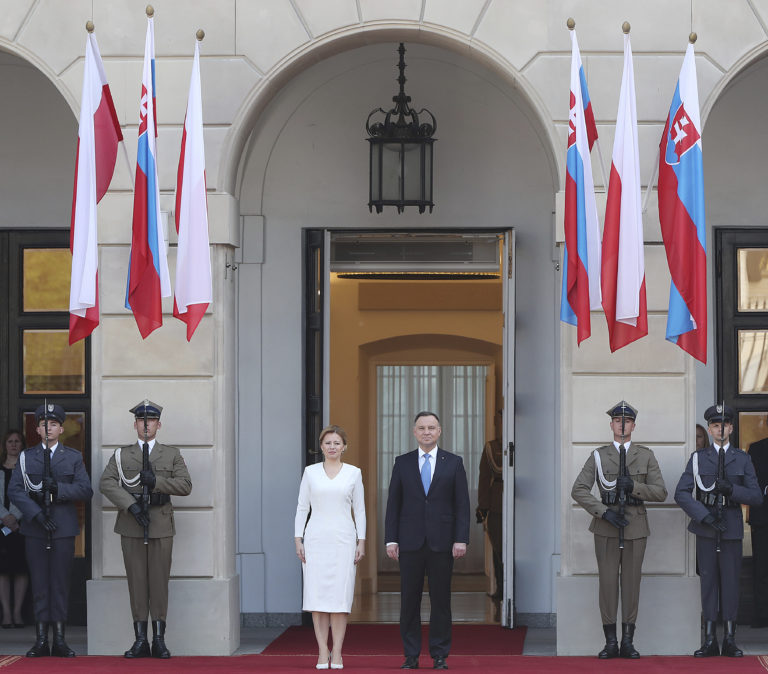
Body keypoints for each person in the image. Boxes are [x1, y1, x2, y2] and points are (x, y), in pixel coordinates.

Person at [571, 401, 667, 660]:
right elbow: (578, 489)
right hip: (606, 525)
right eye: (617, 420)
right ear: (611, 424)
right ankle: (610, 642)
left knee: (631, 584)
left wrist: (634, 486)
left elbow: (660, 492)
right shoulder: (599, 456)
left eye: (626, 421)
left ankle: (628, 641)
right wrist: (604, 512)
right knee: (608, 583)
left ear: (633, 425)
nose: (621, 425)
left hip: (635, 524)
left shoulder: (645, 455)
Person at [99, 400, 192, 659]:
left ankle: (159, 640)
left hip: (161, 523)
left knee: (159, 583)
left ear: (158, 425)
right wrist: (131, 505)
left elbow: (185, 485)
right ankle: (140, 639)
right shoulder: (122, 454)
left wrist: (158, 481)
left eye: (151, 421)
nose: (146, 425)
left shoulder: (171, 454)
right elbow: (106, 483)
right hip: (132, 524)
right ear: (135, 424)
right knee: (137, 582)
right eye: (142, 420)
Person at [385, 411, 470, 670]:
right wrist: (391, 540)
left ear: (440, 431)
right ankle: (410, 655)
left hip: (442, 543)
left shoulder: (453, 462)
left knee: (441, 601)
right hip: (409, 542)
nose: (427, 432)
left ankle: (440, 654)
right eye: (422, 428)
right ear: (414, 432)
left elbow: (462, 505)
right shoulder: (402, 462)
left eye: (431, 427)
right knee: (409, 601)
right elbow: (393, 505)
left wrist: (461, 539)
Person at [675, 404, 762, 657]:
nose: (720, 429)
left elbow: (756, 496)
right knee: (709, 583)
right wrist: (704, 516)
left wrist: (732, 490)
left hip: (732, 527)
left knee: (731, 583)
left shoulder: (743, 458)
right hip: (707, 528)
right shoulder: (699, 458)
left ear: (731, 428)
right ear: (711, 429)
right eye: (715, 425)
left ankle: (730, 640)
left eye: (724, 425)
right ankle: (710, 639)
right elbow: (681, 493)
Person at [8, 403, 92, 657]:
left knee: (59, 583)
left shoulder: (73, 457)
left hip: (63, 528)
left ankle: (60, 640)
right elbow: (15, 490)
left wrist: (59, 489)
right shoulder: (26, 457)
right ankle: (41, 639)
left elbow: (86, 490)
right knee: (41, 584)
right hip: (35, 528)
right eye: (44, 424)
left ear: (61, 428)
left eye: (53, 424)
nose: (49, 428)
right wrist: (35, 514)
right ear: (37, 429)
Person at [294, 425, 365, 670]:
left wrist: (361, 541)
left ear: (344, 446)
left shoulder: (354, 473)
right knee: (317, 596)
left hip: (344, 540)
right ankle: (322, 650)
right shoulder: (310, 472)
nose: (332, 447)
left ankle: (338, 651)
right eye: (328, 443)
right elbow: (302, 507)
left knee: (339, 598)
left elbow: (360, 510)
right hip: (315, 540)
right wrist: (298, 539)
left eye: (337, 443)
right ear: (321, 447)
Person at [0, 430, 29, 628]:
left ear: (22, 444)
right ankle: (6, 615)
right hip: (1, 526)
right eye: (10, 441)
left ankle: (18, 614)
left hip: (21, 527)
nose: (13, 444)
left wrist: (16, 518)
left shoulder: (28, 469)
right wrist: (5, 516)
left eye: (17, 441)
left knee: (20, 570)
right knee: (2, 571)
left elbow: (29, 496)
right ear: (4, 445)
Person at [476, 434, 503, 602]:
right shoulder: (491, 448)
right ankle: (501, 589)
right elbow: (484, 478)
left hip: (521, 506)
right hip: (496, 505)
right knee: (498, 548)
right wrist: (483, 506)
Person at [748, 421, 768, 628]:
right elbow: (749, 481)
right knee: (762, 569)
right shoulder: (757, 448)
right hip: (764, 518)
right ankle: (762, 615)